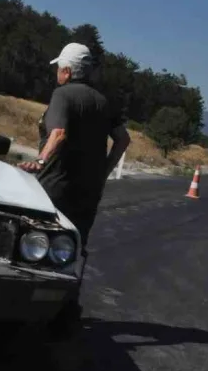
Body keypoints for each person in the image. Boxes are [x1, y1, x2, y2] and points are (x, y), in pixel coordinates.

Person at [18, 42, 130, 252]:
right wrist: (103, 172)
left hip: (55, 187)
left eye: (59, 68)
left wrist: (40, 160)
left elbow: (58, 133)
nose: (57, 73)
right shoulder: (105, 102)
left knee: (36, 245)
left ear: (67, 71)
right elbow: (123, 139)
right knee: (73, 248)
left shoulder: (63, 95)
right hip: (89, 192)